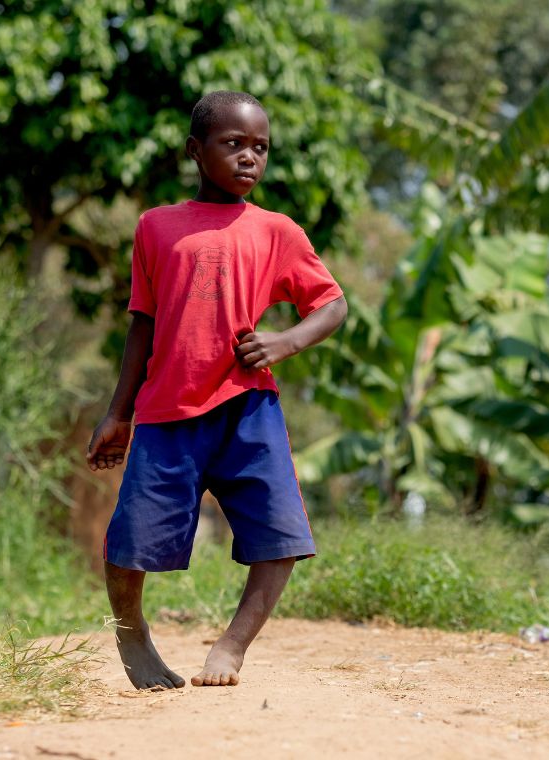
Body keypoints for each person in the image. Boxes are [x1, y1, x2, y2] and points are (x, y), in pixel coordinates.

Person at [86, 90, 347, 690]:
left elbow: (332, 305)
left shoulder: (277, 231)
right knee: (129, 541)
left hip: (247, 407)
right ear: (195, 151)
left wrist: (285, 343)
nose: (250, 158)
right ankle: (132, 631)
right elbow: (142, 327)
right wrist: (117, 413)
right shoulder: (157, 228)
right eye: (234, 144)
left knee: (281, 535)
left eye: (261, 148)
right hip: (165, 413)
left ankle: (231, 647)